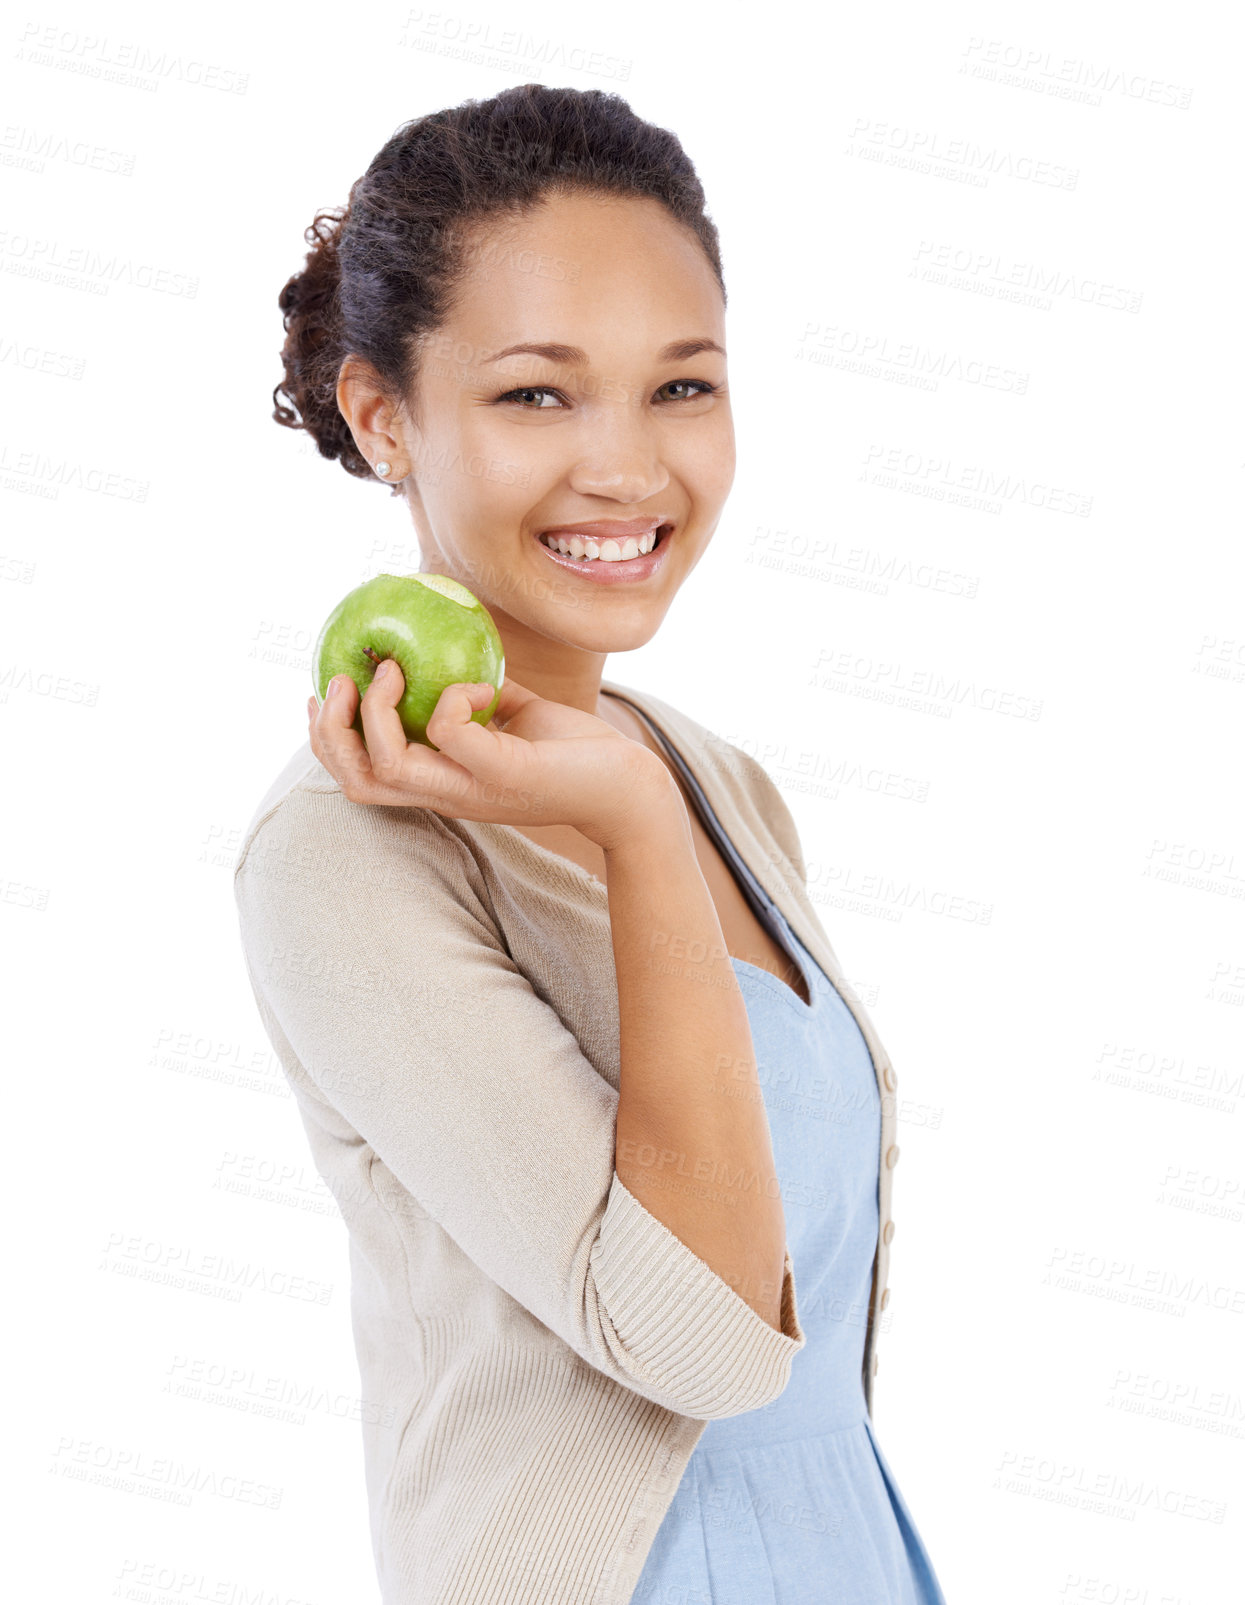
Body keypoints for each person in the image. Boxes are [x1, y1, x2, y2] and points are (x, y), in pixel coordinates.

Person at [235, 83, 948, 1604]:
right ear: (382, 418)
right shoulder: (346, 856)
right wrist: (626, 830)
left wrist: (643, 800)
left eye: (679, 388)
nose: (626, 468)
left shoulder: (712, 776)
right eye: (536, 395)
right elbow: (700, 1341)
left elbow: (811, 1320)